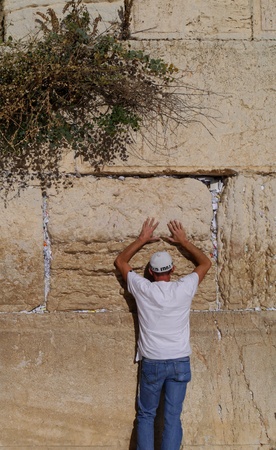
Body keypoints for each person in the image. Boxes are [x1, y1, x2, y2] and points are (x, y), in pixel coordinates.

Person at [114, 218, 212, 450]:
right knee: (172, 417)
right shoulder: (184, 288)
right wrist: (184, 242)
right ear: (173, 270)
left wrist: (142, 239)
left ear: (149, 271)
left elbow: (120, 261)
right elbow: (205, 263)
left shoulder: (143, 288)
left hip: (153, 361)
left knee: (147, 415)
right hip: (179, 361)